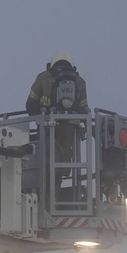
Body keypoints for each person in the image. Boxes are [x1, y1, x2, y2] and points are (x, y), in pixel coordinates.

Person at [25, 52, 89, 196]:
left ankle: (46, 192)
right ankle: (57, 187)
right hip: (70, 129)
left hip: (47, 128)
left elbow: (30, 104)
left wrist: (41, 116)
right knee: (64, 161)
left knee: (45, 160)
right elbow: (84, 109)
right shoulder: (80, 81)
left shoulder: (43, 78)